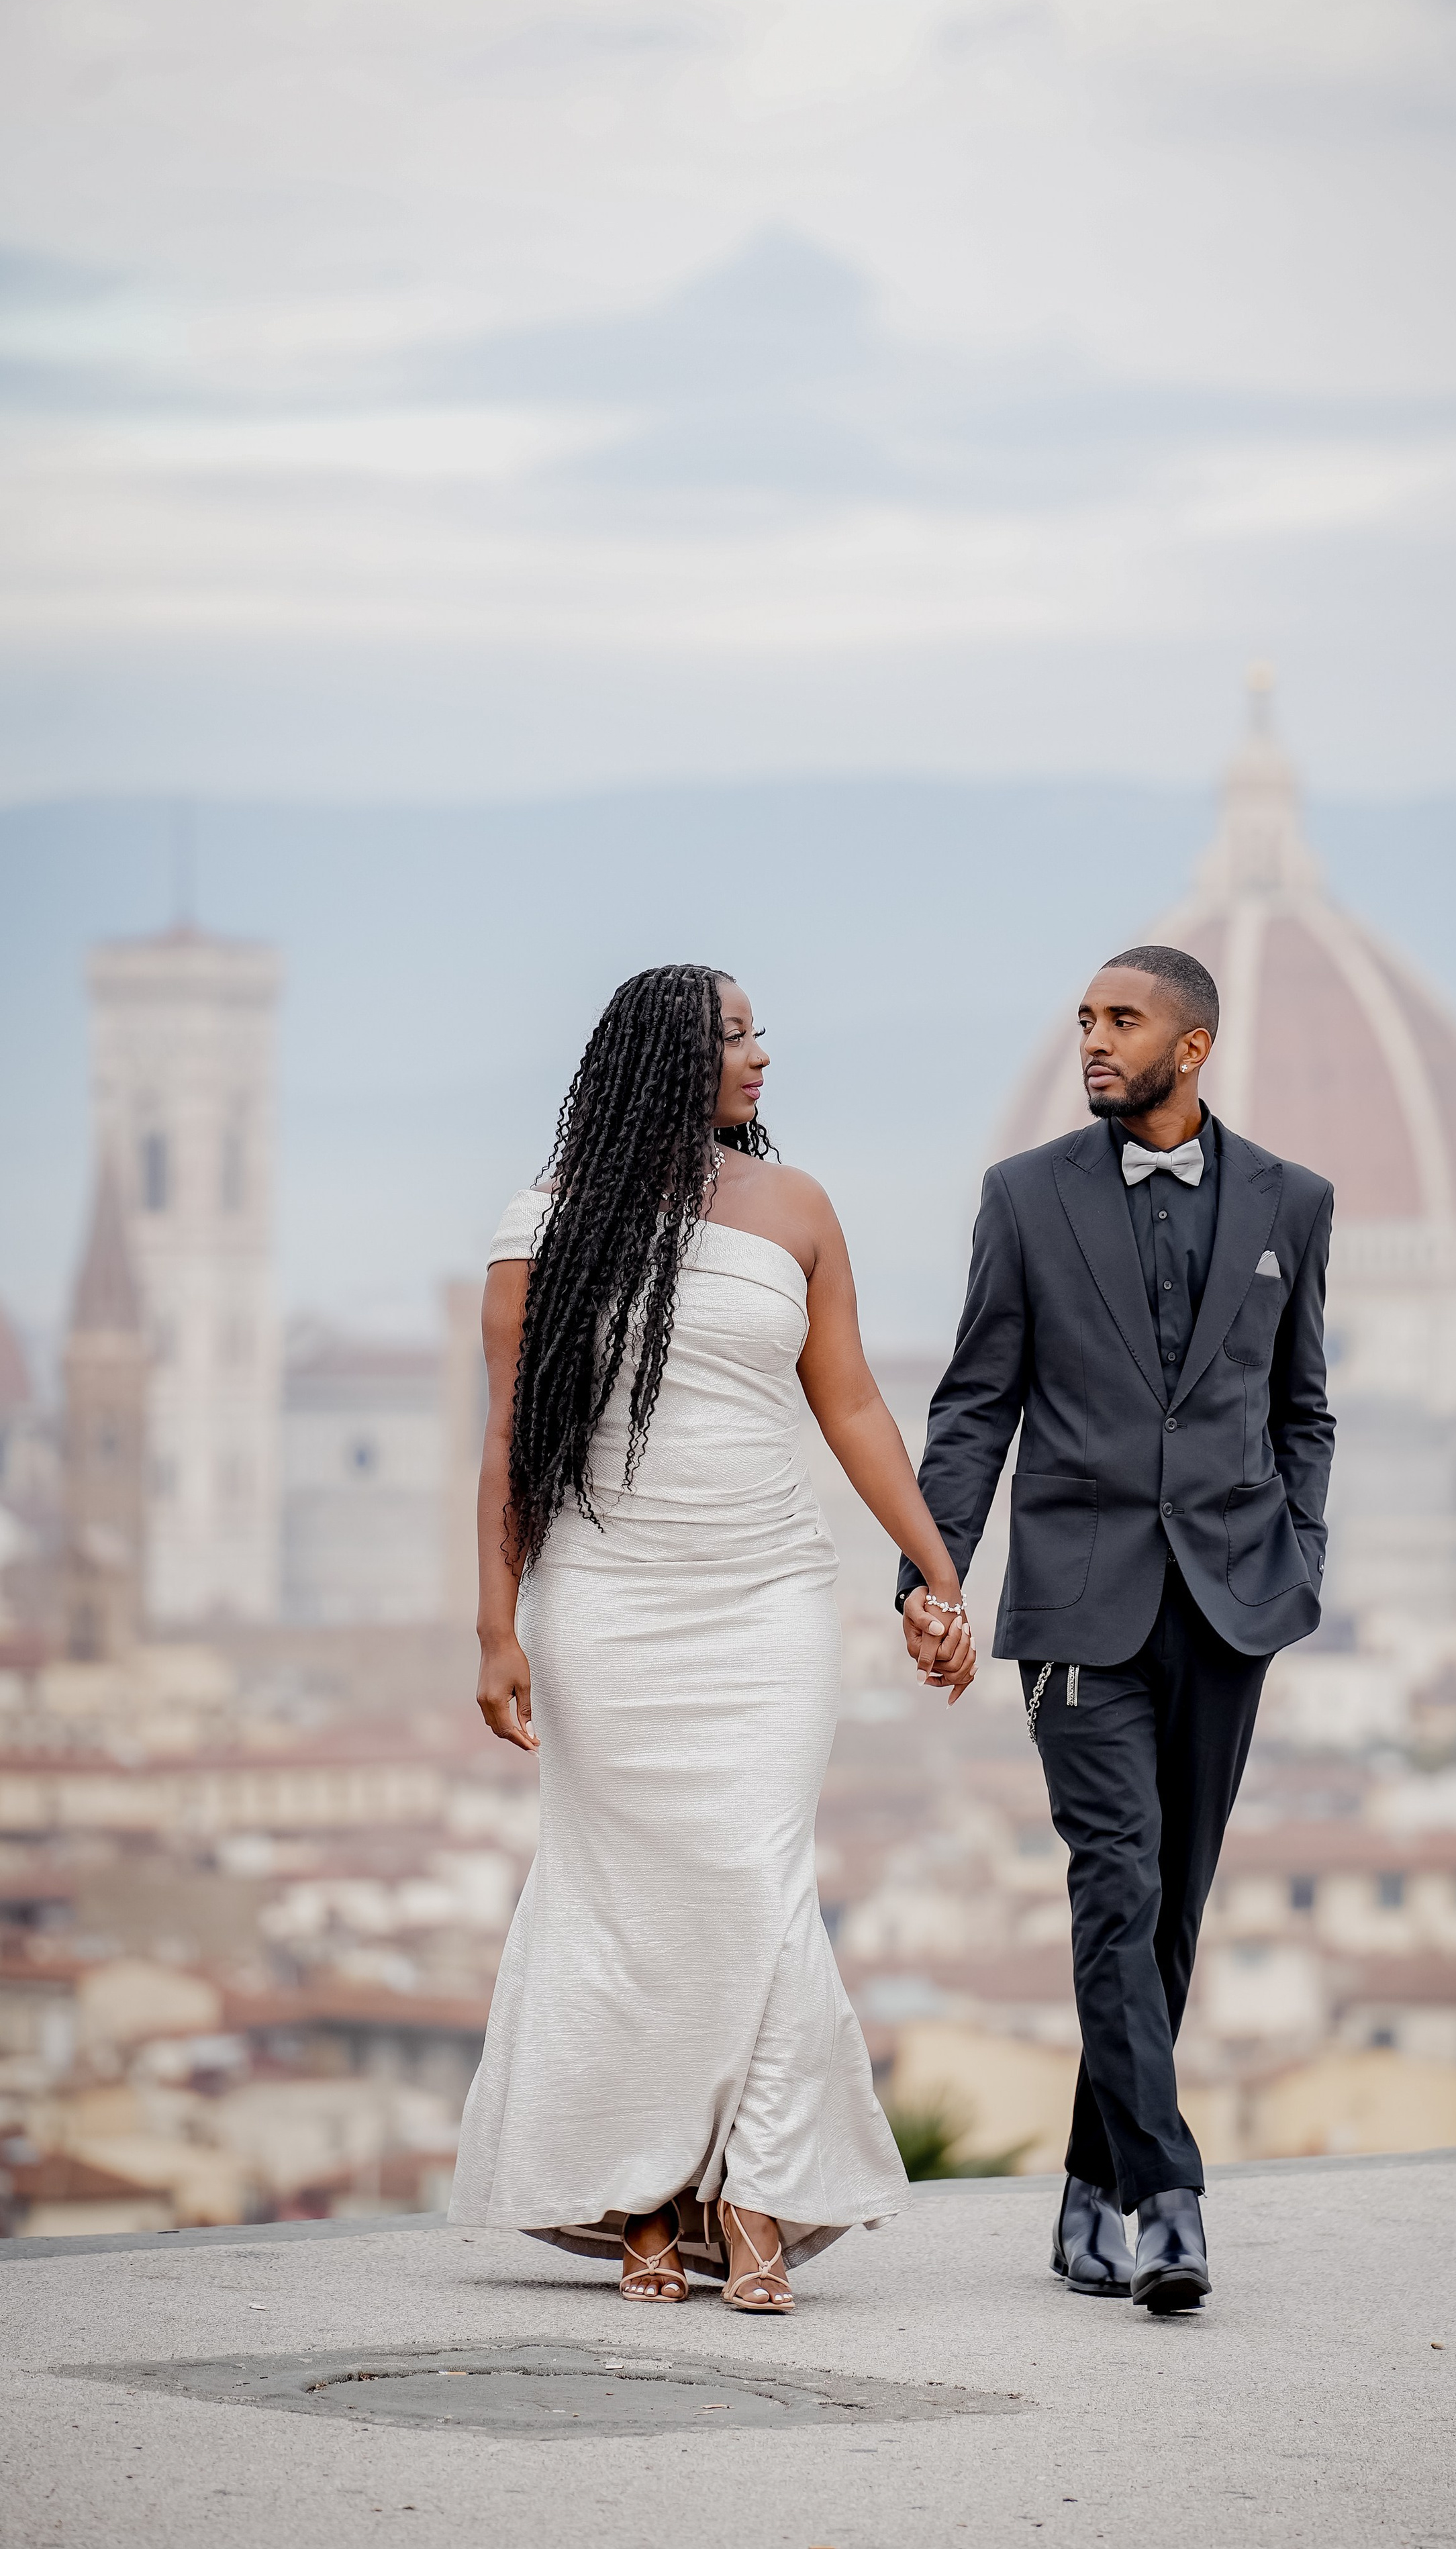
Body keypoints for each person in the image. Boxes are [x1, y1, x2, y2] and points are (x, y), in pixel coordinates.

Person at [448, 963, 976, 2312]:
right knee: (624, 1904)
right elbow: (510, 1436)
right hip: (604, 1601)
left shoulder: (797, 1209)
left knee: (755, 1881)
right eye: (732, 1037)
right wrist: (493, 1627)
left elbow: (850, 1402)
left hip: (765, 1601)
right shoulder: (539, 1223)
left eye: (756, 1032)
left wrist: (933, 1566)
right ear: (655, 1066)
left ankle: (753, 2188)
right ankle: (635, 2199)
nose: (759, 1057)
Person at [898, 945, 1334, 2312]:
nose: (1090, 1039)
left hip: (1227, 1603)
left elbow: (1300, 1406)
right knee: (1115, 1887)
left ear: (1190, 1045)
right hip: (1077, 1607)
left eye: (1119, 1019)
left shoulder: (1289, 1202)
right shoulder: (1022, 1200)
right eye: (1083, 1018)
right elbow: (974, 1404)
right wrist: (931, 1570)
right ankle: (1166, 2198)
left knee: (1171, 1918)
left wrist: (1292, 1553)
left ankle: (1089, 2182)